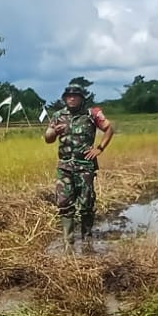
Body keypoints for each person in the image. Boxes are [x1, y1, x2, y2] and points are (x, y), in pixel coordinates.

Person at [44, 83, 115, 250]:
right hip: (65, 166)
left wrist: (100, 148)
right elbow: (47, 138)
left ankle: (87, 240)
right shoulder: (58, 116)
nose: (72, 98)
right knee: (64, 204)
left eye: (75, 95)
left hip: (85, 167)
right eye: (69, 95)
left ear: (82, 98)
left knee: (86, 204)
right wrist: (54, 132)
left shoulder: (91, 114)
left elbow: (109, 128)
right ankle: (68, 243)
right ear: (65, 98)